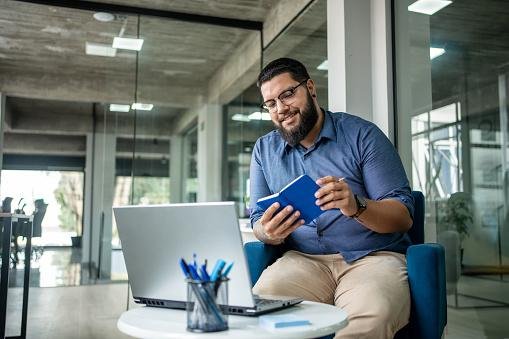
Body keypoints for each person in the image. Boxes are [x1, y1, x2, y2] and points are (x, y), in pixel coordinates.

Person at [249, 58, 414, 339]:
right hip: (303, 260)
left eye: (288, 94)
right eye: (271, 103)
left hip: (372, 257)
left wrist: (356, 206)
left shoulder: (363, 135)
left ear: (310, 88)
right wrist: (267, 231)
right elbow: (256, 219)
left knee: (368, 320)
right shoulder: (264, 150)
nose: (281, 109)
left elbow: (402, 217)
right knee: (260, 311)